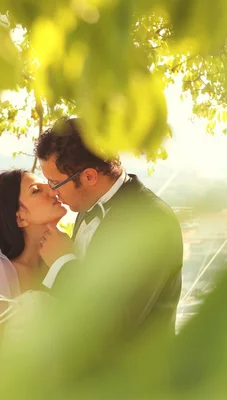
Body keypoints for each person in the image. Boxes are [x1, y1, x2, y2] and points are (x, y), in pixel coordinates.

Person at [35, 116, 184, 341]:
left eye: (55, 183)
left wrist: (62, 263)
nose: (52, 191)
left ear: (88, 177)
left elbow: (115, 323)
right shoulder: (85, 210)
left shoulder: (150, 219)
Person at [0, 169, 67, 359]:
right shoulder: (0, 271)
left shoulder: (63, 261)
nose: (53, 191)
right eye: (36, 190)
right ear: (20, 217)